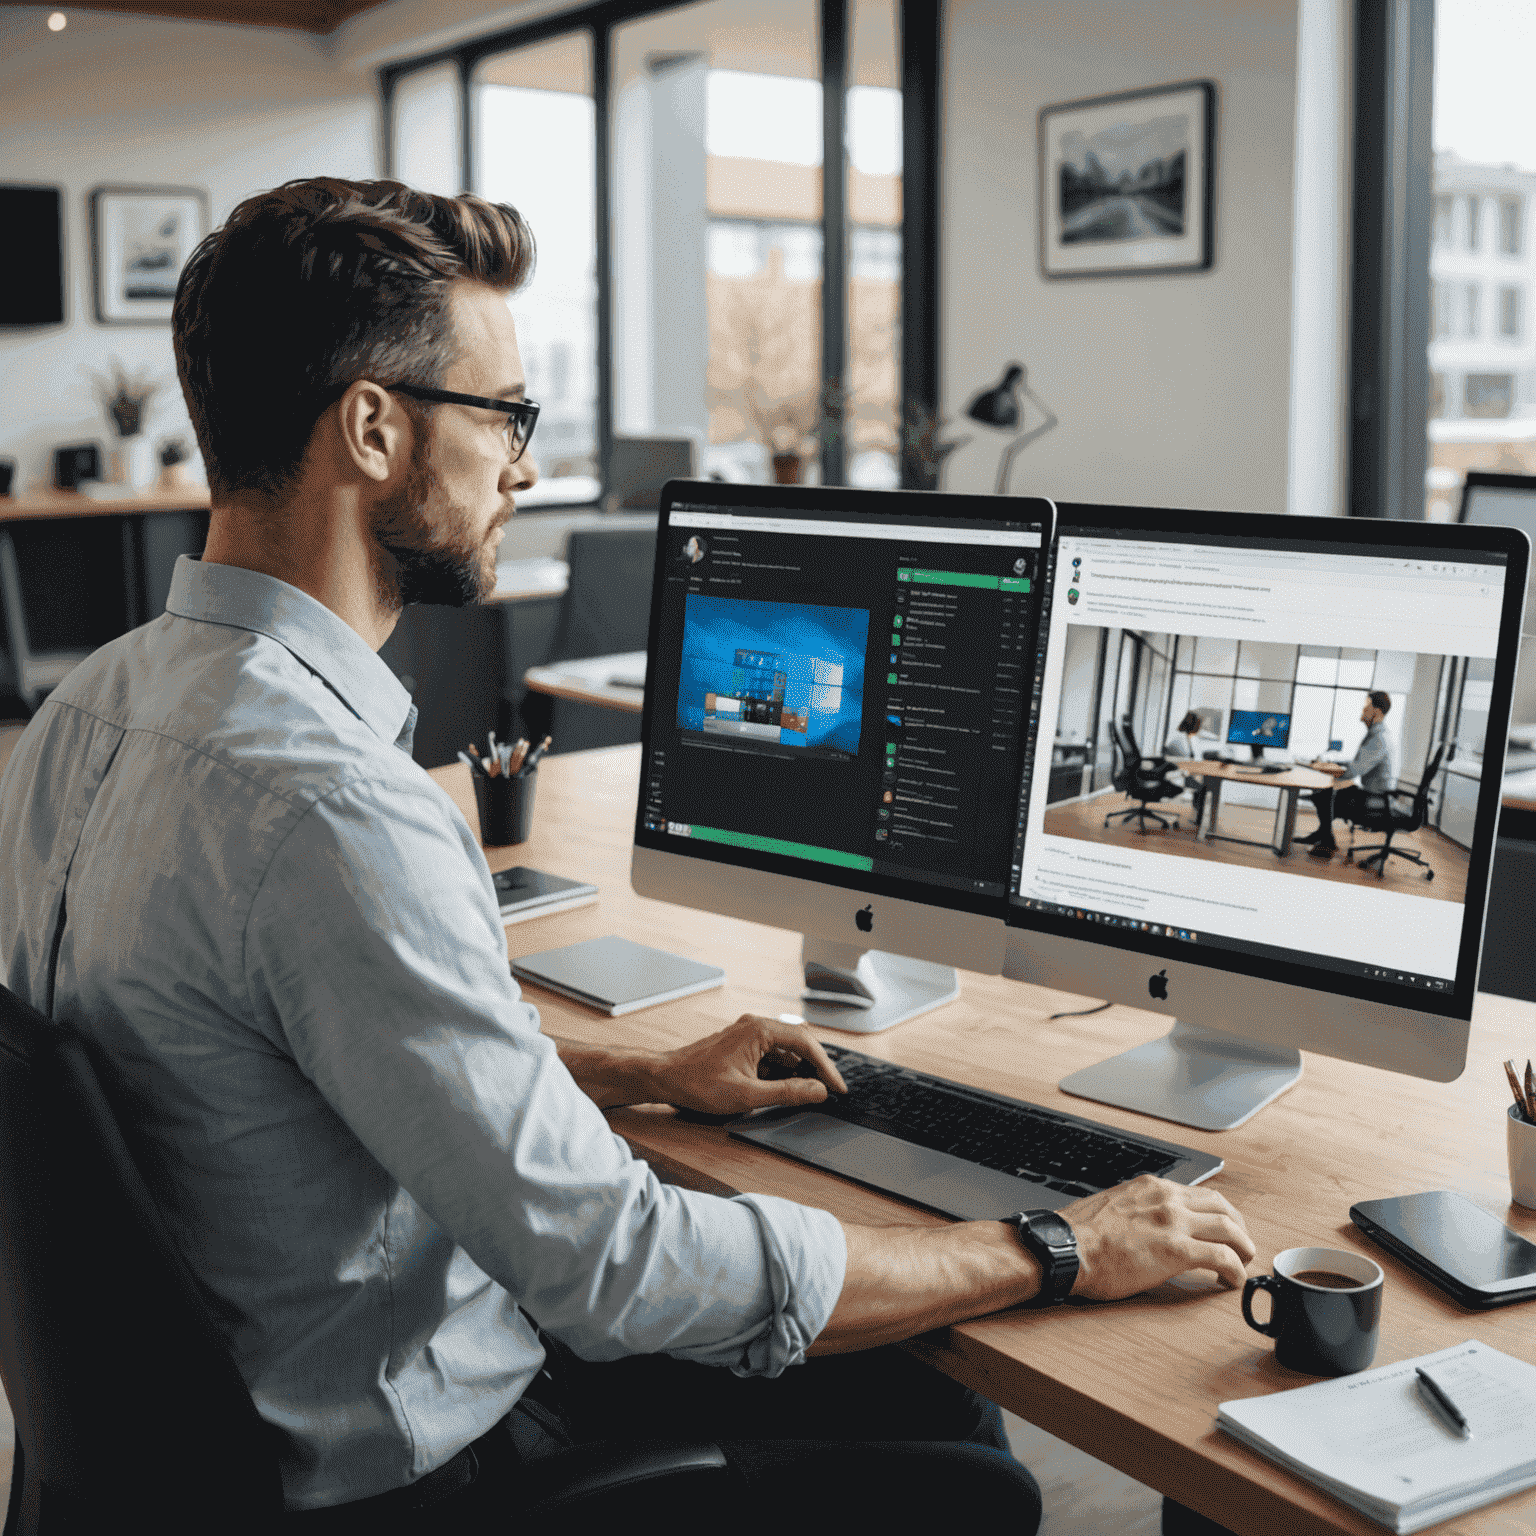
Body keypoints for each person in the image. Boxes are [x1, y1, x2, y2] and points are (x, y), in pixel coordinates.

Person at [0, 179, 1255, 1532]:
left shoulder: (86, 712)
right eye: (506, 416)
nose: (523, 466)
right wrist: (1053, 1244)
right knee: (967, 1470)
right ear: (372, 427)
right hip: (420, 1473)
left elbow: (270, 1066)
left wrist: (640, 1075)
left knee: (916, 1382)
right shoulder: (332, 808)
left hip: (190, 1458)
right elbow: (619, 1267)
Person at [1298, 691, 1399, 859]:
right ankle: (1323, 836)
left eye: (1366, 706)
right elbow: (1359, 763)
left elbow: (1354, 771)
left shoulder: (1379, 738)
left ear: (1377, 711)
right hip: (1378, 794)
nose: (1362, 710)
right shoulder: (1378, 734)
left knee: (1324, 795)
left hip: (1376, 800)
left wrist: (1326, 768)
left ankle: (1326, 842)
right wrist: (1337, 765)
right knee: (1326, 793)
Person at [1163, 709, 1208, 826]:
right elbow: (1188, 763)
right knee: (1202, 788)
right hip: (1176, 775)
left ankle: (1197, 815)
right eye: (1199, 726)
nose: (1200, 729)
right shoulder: (1180, 740)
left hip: (1179, 773)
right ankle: (1199, 819)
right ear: (1195, 726)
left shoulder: (1185, 738)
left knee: (1201, 784)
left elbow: (1192, 761)